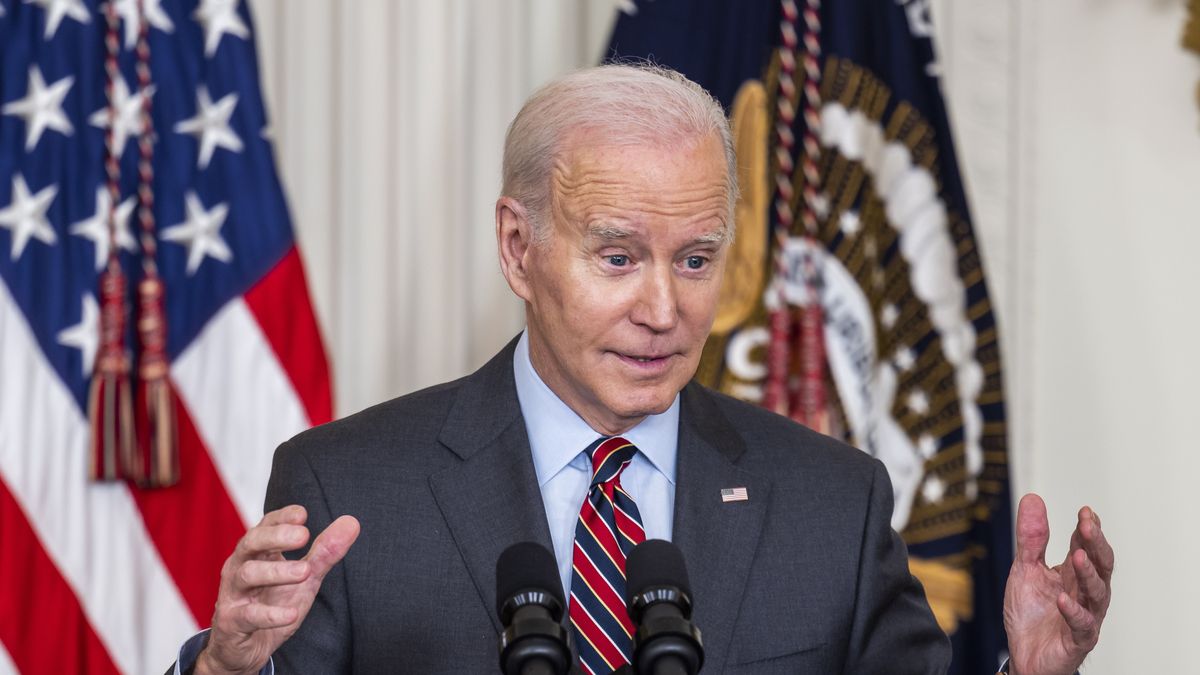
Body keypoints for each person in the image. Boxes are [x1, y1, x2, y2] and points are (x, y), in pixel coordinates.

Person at [174, 64, 1113, 674]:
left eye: (696, 260)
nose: (665, 310)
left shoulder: (834, 503)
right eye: (618, 256)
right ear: (517, 246)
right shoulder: (350, 488)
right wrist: (222, 668)